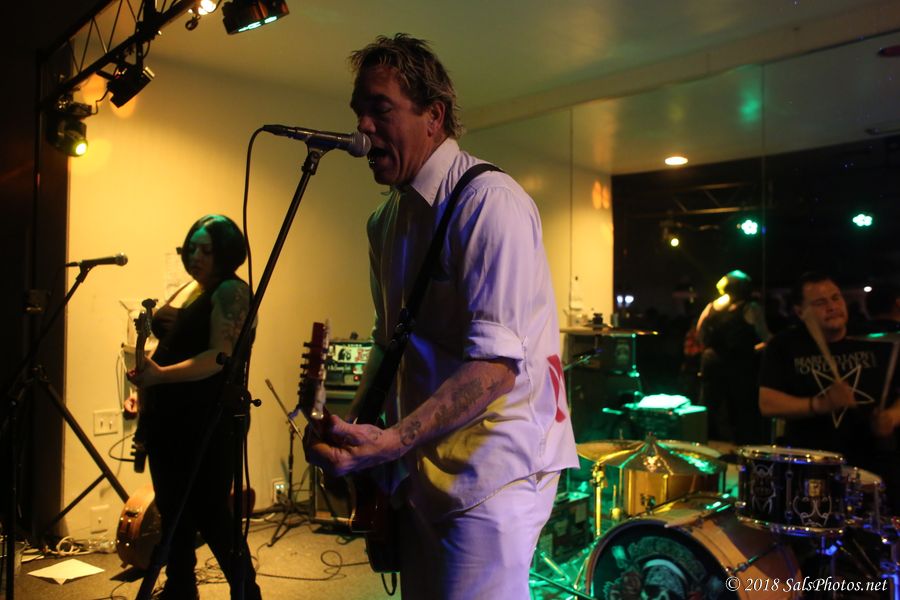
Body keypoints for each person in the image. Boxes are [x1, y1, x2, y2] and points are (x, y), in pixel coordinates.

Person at [304, 34, 578, 600]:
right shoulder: (384, 222)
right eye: (358, 111)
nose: (362, 128)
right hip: (422, 465)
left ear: (434, 116)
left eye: (380, 109)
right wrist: (354, 432)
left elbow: (495, 368)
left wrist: (393, 441)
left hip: (494, 472)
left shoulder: (489, 202)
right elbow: (389, 345)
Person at [128, 214, 261, 600]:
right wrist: (147, 384)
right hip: (169, 416)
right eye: (192, 249)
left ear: (227, 253)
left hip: (209, 417)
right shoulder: (191, 289)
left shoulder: (232, 291)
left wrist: (161, 376)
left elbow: (218, 357)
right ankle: (180, 588)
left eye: (207, 250)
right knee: (173, 510)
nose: (196, 257)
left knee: (211, 512)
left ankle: (247, 593)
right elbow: (178, 346)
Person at [759, 271, 900, 512]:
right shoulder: (785, 345)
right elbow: (768, 403)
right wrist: (820, 404)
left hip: (871, 462)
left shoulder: (873, 338)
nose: (832, 307)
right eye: (820, 302)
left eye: (836, 298)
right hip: (811, 465)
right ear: (800, 311)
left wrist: (892, 417)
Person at [696, 270, 771, 444]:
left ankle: (704, 446)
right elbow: (766, 338)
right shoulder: (751, 308)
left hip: (711, 364)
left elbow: (700, 333)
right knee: (743, 413)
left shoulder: (711, 306)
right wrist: (751, 350)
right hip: (740, 367)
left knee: (709, 410)